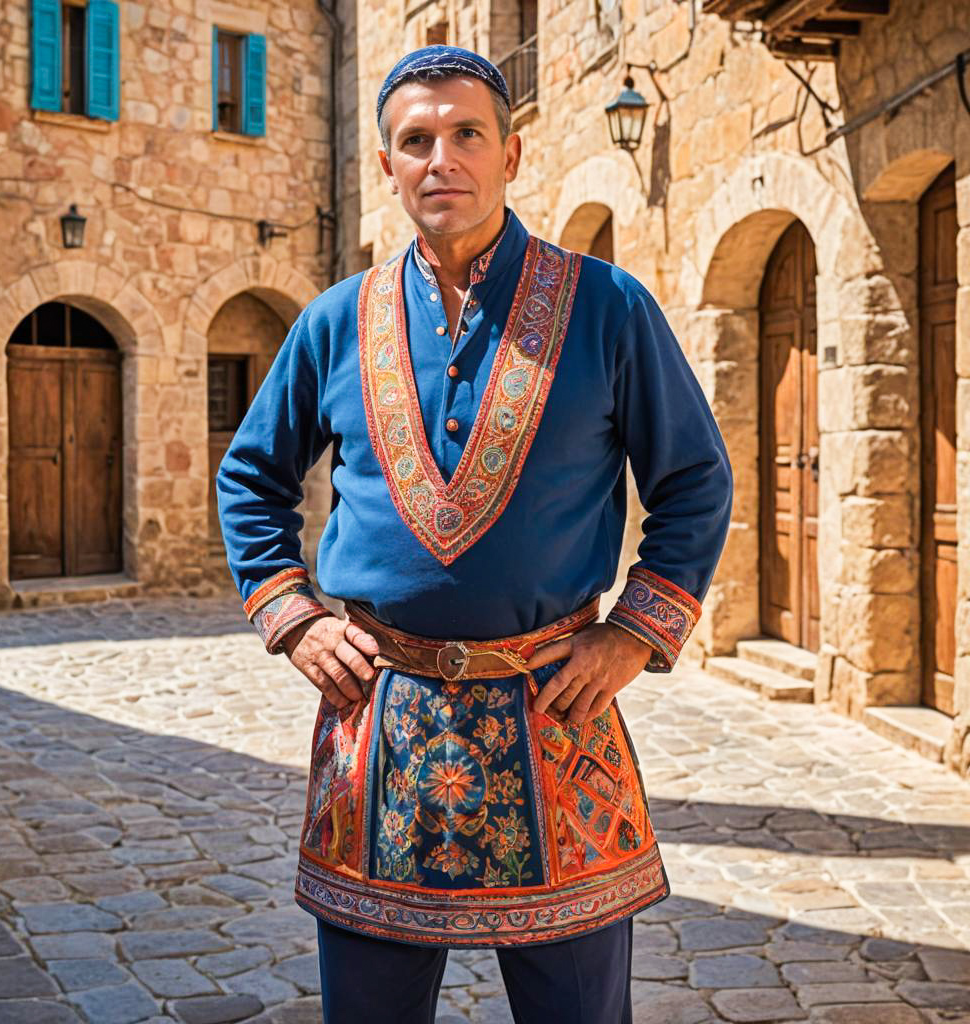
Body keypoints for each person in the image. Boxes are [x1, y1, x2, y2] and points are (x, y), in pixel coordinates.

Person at [216, 44, 733, 1024]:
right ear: (387, 165)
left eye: (465, 135)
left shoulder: (607, 309)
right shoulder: (335, 321)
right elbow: (250, 477)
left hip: (555, 719)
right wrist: (293, 616)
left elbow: (695, 482)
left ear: (512, 153)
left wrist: (632, 634)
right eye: (416, 141)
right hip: (381, 726)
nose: (440, 159)